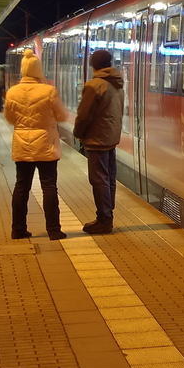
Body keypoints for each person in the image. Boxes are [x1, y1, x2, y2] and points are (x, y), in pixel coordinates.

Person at [4, 48, 69, 240]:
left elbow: (9, 118)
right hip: (46, 144)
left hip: (22, 144)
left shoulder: (12, 92)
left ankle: (18, 229)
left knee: (21, 186)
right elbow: (62, 116)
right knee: (49, 186)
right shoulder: (49, 91)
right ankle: (54, 230)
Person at [73, 49, 124, 235]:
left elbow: (84, 115)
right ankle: (108, 215)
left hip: (97, 139)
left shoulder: (94, 85)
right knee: (109, 178)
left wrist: (78, 133)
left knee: (99, 179)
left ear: (93, 64)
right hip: (111, 137)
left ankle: (104, 220)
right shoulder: (118, 84)